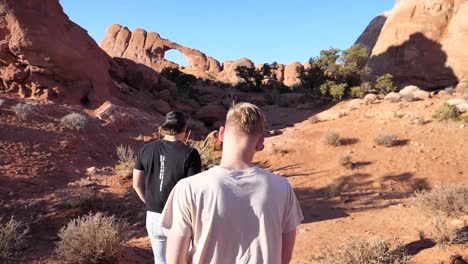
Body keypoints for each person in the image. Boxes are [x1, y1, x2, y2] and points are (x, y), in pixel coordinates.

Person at [161, 102, 304, 264]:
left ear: (221, 134)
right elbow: (284, 258)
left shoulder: (188, 188)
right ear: (260, 143)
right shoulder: (282, 188)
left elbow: (174, 260)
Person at [133, 111, 202, 264]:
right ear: (185, 130)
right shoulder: (190, 154)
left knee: (160, 260)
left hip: (152, 216)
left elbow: (136, 184)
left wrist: (150, 203)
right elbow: (193, 191)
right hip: (177, 217)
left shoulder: (145, 149)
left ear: (164, 128)